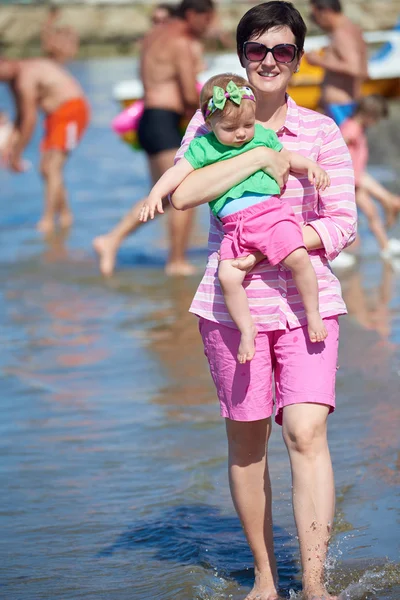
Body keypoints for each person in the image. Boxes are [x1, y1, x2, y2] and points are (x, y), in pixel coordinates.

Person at [169, 2, 357, 599]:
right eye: (258, 49)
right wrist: (254, 154)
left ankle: (316, 582)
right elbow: (183, 193)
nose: (270, 60)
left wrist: (273, 248)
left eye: (283, 51)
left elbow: (341, 223)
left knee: (305, 431)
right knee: (248, 439)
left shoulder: (320, 131)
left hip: (308, 304)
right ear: (242, 56)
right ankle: (266, 580)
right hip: (232, 309)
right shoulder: (206, 126)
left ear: (297, 59)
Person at [140, 73, 330, 361]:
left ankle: (313, 314)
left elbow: (289, 158)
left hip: (270, 215)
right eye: (230, 128)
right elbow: (177, 174)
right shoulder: (203, 147)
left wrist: (311, 166)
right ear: (209, 124)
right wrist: (155, 194)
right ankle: (246, 329)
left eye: (247, 125)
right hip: (235, 228)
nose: (241, 133)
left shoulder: (263, 138)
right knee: (227, 276)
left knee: (299, 259)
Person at [93, 0, 215, 277]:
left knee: (161, 198)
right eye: (207, 20)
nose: (208, 27)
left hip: (147, 119)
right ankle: (175, 261)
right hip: (164, 121)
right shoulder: (181, 42)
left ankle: (110, 240)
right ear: (194, 14)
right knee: (183, 193)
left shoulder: (153, 36)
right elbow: (187, 93)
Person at [0, 57, 90, 233]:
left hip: (71, 111)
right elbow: (20, 117)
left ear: (5, 63)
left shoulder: (26, 76)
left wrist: (17, 154)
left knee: (51, 167)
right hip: (54, 117)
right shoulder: (14, 82)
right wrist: (9, 146)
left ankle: (48, 220)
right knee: (46, 168)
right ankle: (65, 216)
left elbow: (30, 120)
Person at [340, 95, 400, 259]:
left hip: (356, 179)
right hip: (351, 179)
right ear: (369, 115)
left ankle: (385, 247)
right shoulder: (351, 128)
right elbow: (338, 146)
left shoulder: (357, 128)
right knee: (352, 216)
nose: (377, 123)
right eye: (376, 118)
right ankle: (343, 251)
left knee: (372, 212)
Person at [306, 0, 368, 126]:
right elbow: (364, 70)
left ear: (326, 12)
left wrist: (319, 60)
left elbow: (354, 68)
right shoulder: (352, 29)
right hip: (347, 103)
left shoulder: (341, 34)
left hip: (340, 107)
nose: (315, 21)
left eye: (315, 15)